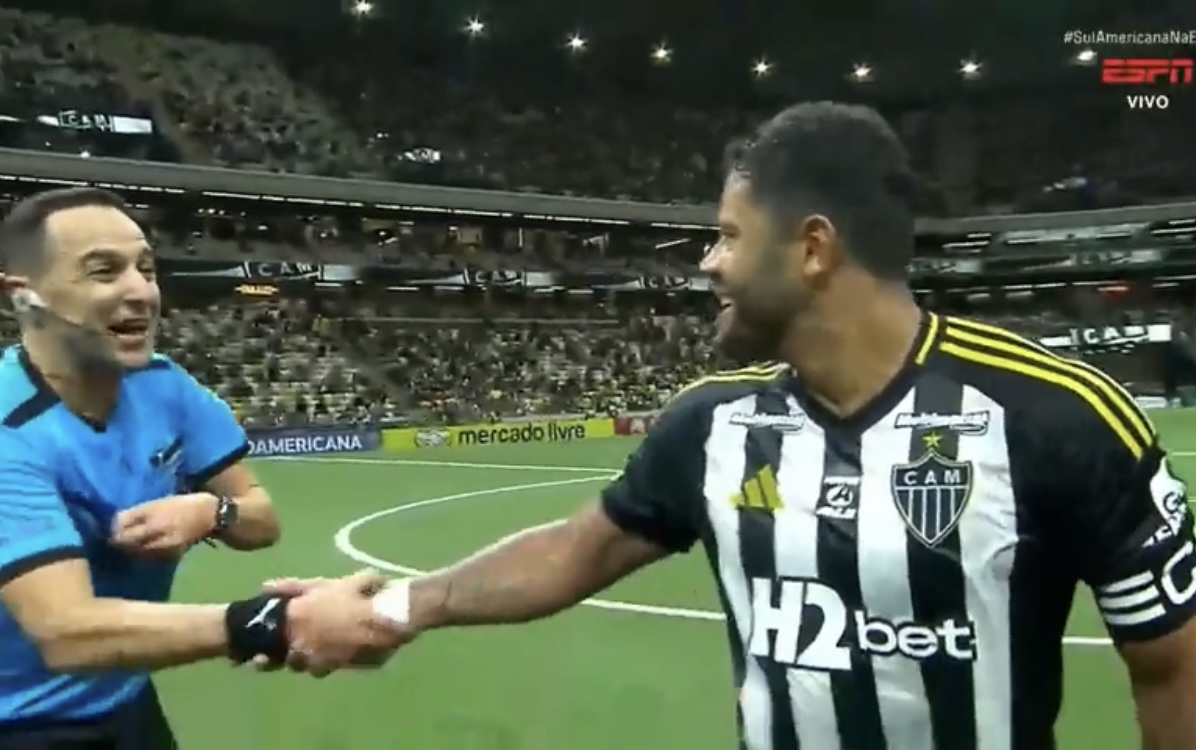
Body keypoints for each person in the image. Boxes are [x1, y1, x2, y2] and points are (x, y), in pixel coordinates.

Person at [277, 102, 1196, 749]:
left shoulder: (1056, 416)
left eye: (727, 234)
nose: (707, 264)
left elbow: (1173, 667)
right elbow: (576, 550)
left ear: (812, 248)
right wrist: (392, 609)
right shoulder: (713, 424)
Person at [0, 187, 403, 749]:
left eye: (146, 268)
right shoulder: (9, 428)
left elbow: (261, 519)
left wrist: (213, 512)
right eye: (103, 271)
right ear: (23, 298)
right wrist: (270, 622)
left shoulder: (167, 388)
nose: (140, 291)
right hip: (19, 722)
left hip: (125, 696)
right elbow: (65, 632)